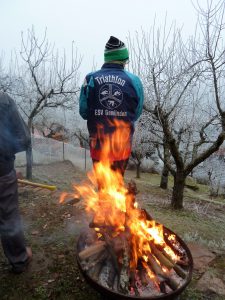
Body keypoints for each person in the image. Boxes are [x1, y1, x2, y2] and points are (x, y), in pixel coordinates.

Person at [79, 36, 144, 176]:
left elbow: (84, 112)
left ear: (106, 58)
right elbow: (136, 113)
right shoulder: (134, 81)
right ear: (124, 59)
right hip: (122, 147)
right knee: (117, 188)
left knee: (102, 187)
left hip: (98, 146)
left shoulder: (90, 79)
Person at [0, 92, 32, 273]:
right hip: (2, 173)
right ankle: (19, 260)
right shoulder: (3, 100)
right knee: (8, 216)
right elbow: (23, 138)